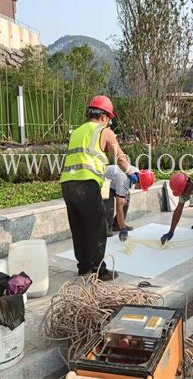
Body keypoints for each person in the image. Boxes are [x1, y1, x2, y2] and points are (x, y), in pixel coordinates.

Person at [60, 95, 133, 280]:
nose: (109, 123)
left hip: (67, 185)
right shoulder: (105, 131)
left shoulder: (76, 132)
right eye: (109, 119)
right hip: (87, 184)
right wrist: (133, 173)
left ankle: (83, 266)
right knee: (98, 226)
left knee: (79, 227)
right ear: (104, 117)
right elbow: (120, 157)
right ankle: (100, 270)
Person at [103, 164, 140, 241]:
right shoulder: (124, 179)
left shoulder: (136, 173)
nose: (140, 188)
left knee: (126, 200)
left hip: (115, 181)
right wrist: (123, 229)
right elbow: (119, 206)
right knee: (109, 205)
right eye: (141, 186)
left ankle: (117, 225)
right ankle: (107, 228)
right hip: (105, 181)